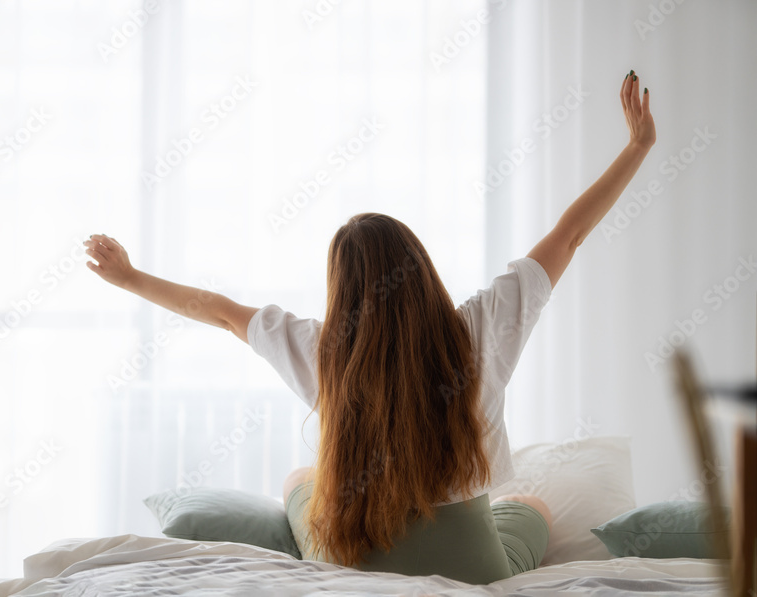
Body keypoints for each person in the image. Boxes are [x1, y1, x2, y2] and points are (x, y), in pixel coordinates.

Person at [83, 69, 655, 583]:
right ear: (422, 271)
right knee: (533, 505)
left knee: (297, 482)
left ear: (342, 287)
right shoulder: (481, 328)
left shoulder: (319, 350)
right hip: (468, 562)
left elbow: (218, 309)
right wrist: (637, 147)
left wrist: (131, 279)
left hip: (351, 553)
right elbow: (569, 234)